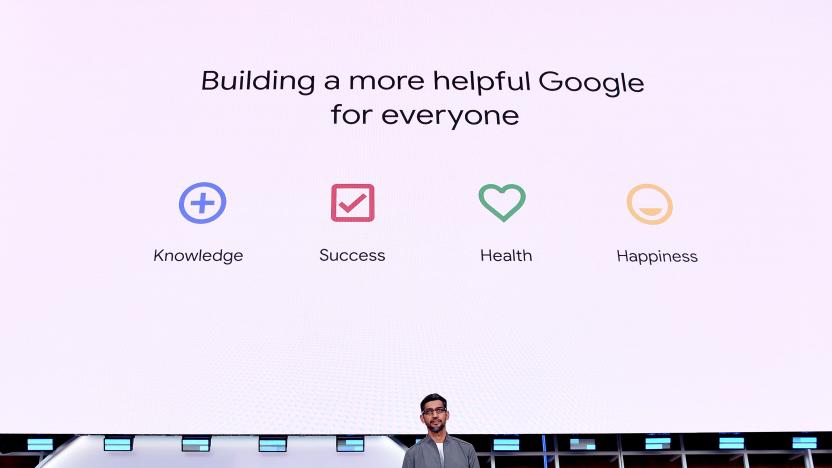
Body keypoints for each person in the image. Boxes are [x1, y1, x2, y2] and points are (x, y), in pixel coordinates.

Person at [402, 393, 480, 468]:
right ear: (422, 418)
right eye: (429, 412)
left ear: (447, 415)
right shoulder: (412, 454)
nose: (435, 415)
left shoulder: (467, 449)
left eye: (439, 410)